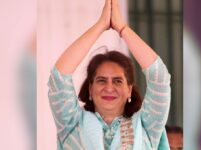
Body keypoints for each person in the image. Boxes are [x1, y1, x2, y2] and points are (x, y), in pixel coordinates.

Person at [48, 0, 171, 149]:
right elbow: (59, 77)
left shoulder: (146, 125)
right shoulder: (71, 124)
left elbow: (159, 78)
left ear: (129, 90)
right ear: (90, 89)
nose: (109, 87)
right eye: (101, 80)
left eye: (118, 81)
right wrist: (101, 25)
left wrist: (123, 29)